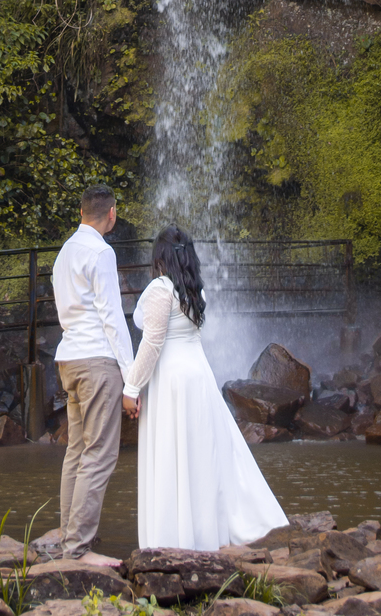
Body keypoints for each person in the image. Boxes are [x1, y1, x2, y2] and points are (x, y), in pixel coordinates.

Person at [122, 224, 288, 550]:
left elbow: (152, 342)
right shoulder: (195, 289)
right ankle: (204, 534)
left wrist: (131, 388)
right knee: (201, 455)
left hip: (172, 379)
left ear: (160, 257)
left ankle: (173, 539)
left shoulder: (160, 289)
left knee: (174, 454)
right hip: (198, 375)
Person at [51, 184, 134, 566]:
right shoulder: (101, 252)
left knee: (77, 451)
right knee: (99, 454)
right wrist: (131, 377)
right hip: (97, 359)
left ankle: (69, 537)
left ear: (82, 212)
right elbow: (112, 316)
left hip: (68, 358)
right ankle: (78, 548)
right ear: (111, 214)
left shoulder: (65, 252)